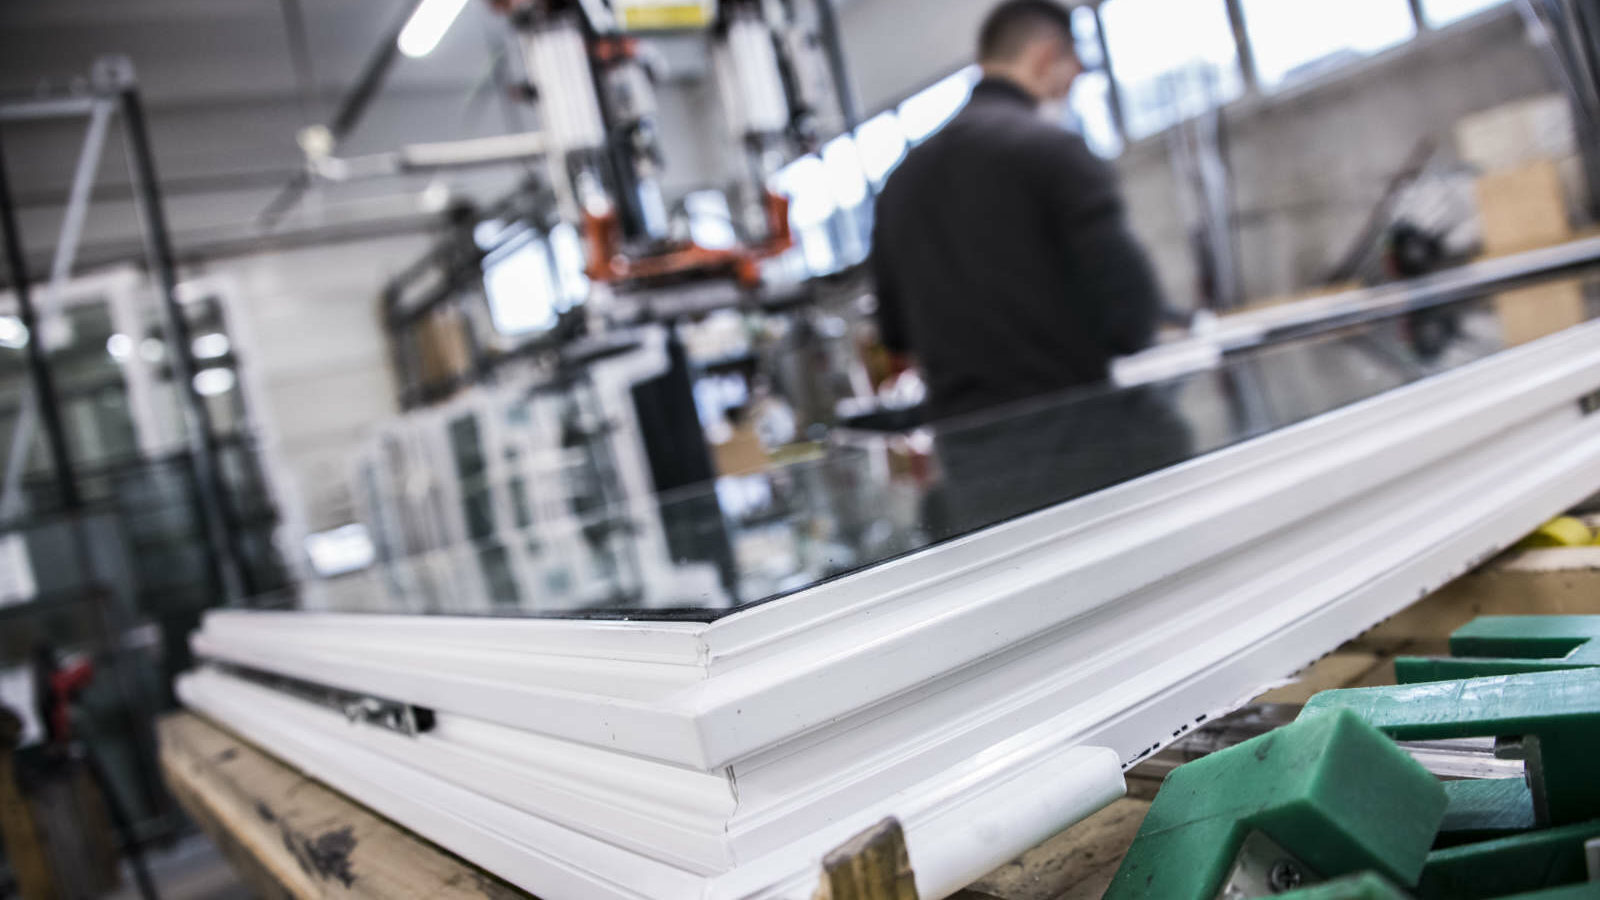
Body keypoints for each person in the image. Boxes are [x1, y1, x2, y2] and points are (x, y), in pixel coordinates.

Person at [871, 0, 1164, 422]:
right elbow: (1132, 319)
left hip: (965, 443)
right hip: (1080, 429)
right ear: (1046, 56)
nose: (1068, 90)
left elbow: (894, 334)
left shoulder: (899, 183)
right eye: (1071, 76)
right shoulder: (1053, 151)